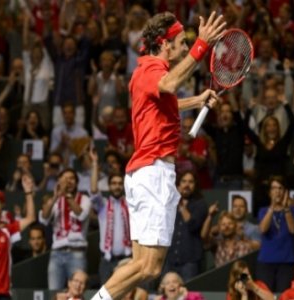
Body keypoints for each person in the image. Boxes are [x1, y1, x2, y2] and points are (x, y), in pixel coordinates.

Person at [91, 11, 225, 300]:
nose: (184, 48)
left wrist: (197, 100)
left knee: (146, 268)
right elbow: (169, 85)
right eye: (181, 43)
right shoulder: (153, 69)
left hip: (145, 174)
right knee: (149, 267)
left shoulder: (144, 72)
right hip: (153, 174)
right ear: (164, 44)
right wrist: (202, 45)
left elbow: (167, 103)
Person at [40, 169, 91, 290]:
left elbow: (81, 215)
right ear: (59, 181)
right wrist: (54, 197)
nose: (68, 182)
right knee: (54, 292)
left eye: (71, 178)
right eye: (65, 178)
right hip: (56, 253)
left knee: (77, 292)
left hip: (76, 252)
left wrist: (67, 195)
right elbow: (44, 218)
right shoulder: (55, 200)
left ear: (77, 182)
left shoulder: (85, 199)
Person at [90, 147, 131, 284]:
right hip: (107, 260)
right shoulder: (103, 205)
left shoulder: (131, 205)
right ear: (109, 186)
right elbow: (94, 191)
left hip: (127, 258)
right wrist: (95, 164)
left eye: (120, 183)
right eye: (114, 184)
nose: (117, 186)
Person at [256, 176, 294, 292]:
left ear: (285, 192)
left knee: (283, 296)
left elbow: (293, 230)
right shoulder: (263, 211)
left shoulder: (292, 210)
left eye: (280, 188)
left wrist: (286, 208)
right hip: (266, 262)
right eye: (274, 188)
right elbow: (263, 229)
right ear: (270, 192)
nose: (277, 191)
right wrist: (272, 208)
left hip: (286, 262)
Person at [164, 171, 208, 281]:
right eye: (183, 181)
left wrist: (181, 206)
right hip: (170, 258)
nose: (186, 185)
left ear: (195, 185)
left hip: (190, 260)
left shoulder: (200, 204)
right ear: (178, 184)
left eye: (190, 182)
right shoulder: (168, 203)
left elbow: (192, 225)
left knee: (188, 294)